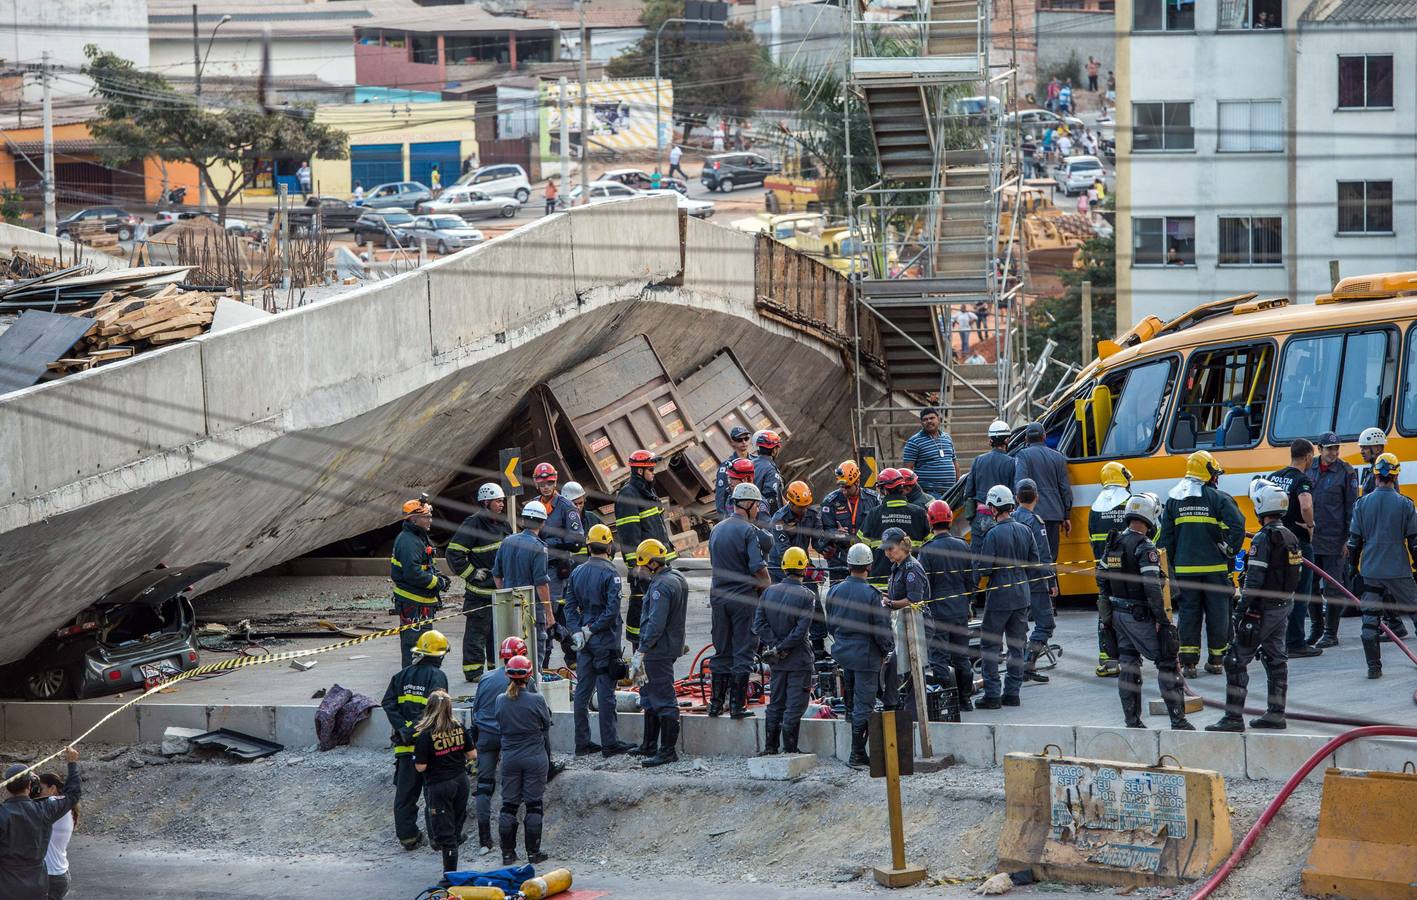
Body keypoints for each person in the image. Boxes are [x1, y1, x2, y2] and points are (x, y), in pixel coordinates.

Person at [1206, 483, 1300, 732]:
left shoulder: (1263, 538)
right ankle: (1276, 714)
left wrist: (1240, 612)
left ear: (1261, 506)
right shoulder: (1291, 536)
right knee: (1276, 659)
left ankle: (1233, 718)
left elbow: (1255, 579)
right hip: (1283, 607)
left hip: (1262, 610)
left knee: (1236, 660)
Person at [1103, 493, 1194, 730]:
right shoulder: (1144, 547)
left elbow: (1101, 581)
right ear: (1150, 517)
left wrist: (1107, 617)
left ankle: (1132, 721)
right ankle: (1179, 721)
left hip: (1118, 615)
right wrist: (1162, 621)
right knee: (1166, 661)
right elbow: (1152, 587)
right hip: (1139, 616)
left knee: (1128, 665)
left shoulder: (1114, 544)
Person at [1157, 450, 1245, 678]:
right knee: (1218, 615)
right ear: (1209, 474)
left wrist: (1171, 569)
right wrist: (1230, 551)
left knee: (1189, 615)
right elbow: (1238, 526)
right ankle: (1216, 661)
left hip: (1186, 572)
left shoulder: (1174, 501)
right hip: (1215, 571)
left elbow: (1165, 539)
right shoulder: (1219, 498)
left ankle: (1188, 664)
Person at [565, 523, 634, 758]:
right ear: (608, 546)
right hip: (604, 640)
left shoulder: (577, 572)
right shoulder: (610, 573)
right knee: (605, 693)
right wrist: (592, 630)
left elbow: (570, 606)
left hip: (584, 642)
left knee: (582, 693)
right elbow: (612, 610)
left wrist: (577, 631)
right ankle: (610, 743)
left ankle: (582, 744)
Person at [1347, 453, 1417, 679]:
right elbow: (1415, 541)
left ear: (1375, 476)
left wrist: (1352, 567)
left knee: (1370, 620)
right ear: (1396, 476)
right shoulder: (1406, 504)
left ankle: (1374, 668)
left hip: (1371, 570)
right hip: (1399, 569)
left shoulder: (1362, 504)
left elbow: (1353, 542)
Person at [381, 629, 450, 851]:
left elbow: (388, 703)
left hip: (404, 747)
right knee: (434, 795)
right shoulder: (437, 677)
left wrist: (404, 728)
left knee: (405, 794)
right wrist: (413, 728)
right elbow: (435, 709)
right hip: (429, 746)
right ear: (439, 656)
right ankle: (438, 839)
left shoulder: (400, 676)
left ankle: (408, 838)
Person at [826, 543, 894, 766]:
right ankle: (856, 753)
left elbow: (831, 625)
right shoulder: (872, 594)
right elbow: (881, 630)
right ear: (870, 566)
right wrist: (886, 651)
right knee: (864, 703)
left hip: (844, 653)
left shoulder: (835, 590)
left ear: (848, 565)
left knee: (852, 701)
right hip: (866, 656)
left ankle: (858, 749)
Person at [708, 482, 771, 718]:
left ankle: (715, 704)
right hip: (743, 601)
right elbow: (758, 569)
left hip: (719, 598)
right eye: (757, 506)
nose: (758, 510)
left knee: (722, 651)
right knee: (743, 652)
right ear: (749, 504)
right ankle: (737, 706)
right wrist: (768, 590)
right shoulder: (748, 531)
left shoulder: (717, 529)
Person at [973, 486, 1040, 709]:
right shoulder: (1025, 530)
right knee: (1017, 646)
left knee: (990, 646)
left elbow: (984, 568)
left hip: (999, 596)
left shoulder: (992, 534)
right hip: (1022, 595)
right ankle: (1012, 693)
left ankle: (992, 694)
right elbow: (1034, 562)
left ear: (993, 507)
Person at [630, 538, 688, 766]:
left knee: (663, 698)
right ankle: (649, 745)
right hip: (664, 647)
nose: (640, 570)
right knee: (649, 696)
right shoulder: (676, 579)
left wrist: (642, 649)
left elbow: (656, 623)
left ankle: (667, 751)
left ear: (653, 563)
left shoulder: (661, 587)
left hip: (657, 650)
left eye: (643, 565)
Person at [754, 546, 816, 754]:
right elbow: (800, 631)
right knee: (795, 706)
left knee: (776, 704)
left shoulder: (769, 592)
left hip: (777, 662)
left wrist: (774, 646)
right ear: (804, 568)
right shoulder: (806, 596)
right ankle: (790, 750)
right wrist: (781, 647)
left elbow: (759, 624)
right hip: (798, 660)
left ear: (783, 566)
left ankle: (770, 747)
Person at [447, 483, 512, 682]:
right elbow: (454, 553)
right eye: (497, 501)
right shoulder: (473, 524)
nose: (501, 504)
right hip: (479, 594)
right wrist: (472, 573)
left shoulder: (502, 523)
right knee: (476, 633)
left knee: (497, 633)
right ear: (486, 502)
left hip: (498, 592)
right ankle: (474, 672)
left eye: (502, 501)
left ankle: (494, 670)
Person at [470, 636, 526, 856]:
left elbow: (476, 709)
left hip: (485, 737)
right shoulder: (520, 678)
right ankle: (508, 845)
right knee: (510, 790)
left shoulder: (485, 678)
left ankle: (485, 840)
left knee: (483, 786)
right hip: (509, 738)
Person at [918, 500, 975, 711]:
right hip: (960, 610)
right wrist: (968, 603)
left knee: (939, 657)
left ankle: (948, 698)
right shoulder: (963, 545)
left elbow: (925, 585)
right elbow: (971, 580)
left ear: (931, 521)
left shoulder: (928, 550)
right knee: (962, 655)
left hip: (938, 613)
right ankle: (966, 699)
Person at [615, 449, 675, 649]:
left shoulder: (648, 491)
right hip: (644, 568)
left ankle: (661, 644)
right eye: (650, 469)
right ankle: (639, 651)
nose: (653, 472)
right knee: (641, 608)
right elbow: (629, 535)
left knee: (660, 608)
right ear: (639, 471)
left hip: (657, 565)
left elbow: (657, 527)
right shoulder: (628, 495)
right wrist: (636, 567)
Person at [496, 654, 553, 865]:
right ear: (528, 676)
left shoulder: (500, 700)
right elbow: (546, 723)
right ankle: (533, 853)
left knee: (509, 805)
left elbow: (499, 723)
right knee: (534, 805)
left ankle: (508, 854)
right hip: (534, 756)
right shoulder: (536, 699)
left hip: (510, 756)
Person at [1, 749, 80, 900]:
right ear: (31, 786)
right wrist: (72, 764)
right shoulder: (45, 809)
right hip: (37, 887)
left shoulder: (3, 813)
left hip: (7, 888)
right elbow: (73, 795)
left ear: (7, 787)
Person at [1269, 439, 1322, 659]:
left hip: (1275, 540)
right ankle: (1296, 642)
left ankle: (1275, 639)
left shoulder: (1273, 477)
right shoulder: (1302, 480)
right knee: (1300, 593)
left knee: (1279, 592)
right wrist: (1310, 526)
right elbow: (1306, 505)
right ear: (1308, 456)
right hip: (1297, 543)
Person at [413, 690, 475, 878]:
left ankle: (449, 877)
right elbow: (472, 755)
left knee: (445, 835)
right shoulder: (459, 727)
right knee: (455, 828)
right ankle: (454, 849)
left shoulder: (425, 735)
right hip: (461, 782)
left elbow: (420, 767)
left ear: (429, 708)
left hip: (440, 786)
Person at [1356, 427, 1408, 641]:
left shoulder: (1383, 474)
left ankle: (1394, 623)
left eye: (1365, 448)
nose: (1362, 452)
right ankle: (1392, 622)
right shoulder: (1374, 471)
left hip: (1381, 537)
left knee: (1381, 582)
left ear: (1377, 447)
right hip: (1378, 535)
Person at [1306, 433, 1357, 647]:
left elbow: (1351, 508)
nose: (1333, 453)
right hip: (1311, 540)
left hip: (1335, 540)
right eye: (1329, 449)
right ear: (1319, 449)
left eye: (1336, 449)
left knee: (1333, 588)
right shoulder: (1309, 469)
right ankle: (1316, 629)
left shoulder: (1346, 472)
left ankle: (1330, 633)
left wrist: (1348, 539)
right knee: (1309, 587)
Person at [534, 463, 583, 668]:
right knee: (541, 615)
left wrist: (550, 544)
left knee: (549, 614)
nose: (546, 487)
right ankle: (547, 660)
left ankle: (550, 661)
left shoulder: (566, 507)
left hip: (557, 570)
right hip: (538, 568)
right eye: (542, 483)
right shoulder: (534, 505)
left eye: (550, 483)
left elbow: (577, 539)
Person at [493, 500, 555, 659]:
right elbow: (541, 584)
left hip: (509, 606)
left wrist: (504, 594)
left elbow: (496, 574)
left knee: (511, 649)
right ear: (542, 523)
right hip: (532, 610)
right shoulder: (539, 547)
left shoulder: (507, 542)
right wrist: (549, 614)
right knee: (534, 652)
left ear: (523, 520)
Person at [391, 498, 449, 668]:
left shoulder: (419, 538)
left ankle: (421, 679)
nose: (430, 520)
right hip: (413, 605)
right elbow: (413, 573)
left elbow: (426, 566)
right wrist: (438, 583)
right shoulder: (408, 541)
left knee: (423, 644)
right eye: (427, 517)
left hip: (421, 604)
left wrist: (439, 577)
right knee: (414, 646)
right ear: (414, 519)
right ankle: (410, 680)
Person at [1089, 461, 1133, 677]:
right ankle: (1131, 659)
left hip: (1105, 571)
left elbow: (1093, 541)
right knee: (1132, 612)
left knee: (1106, 614)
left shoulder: (1095, 508)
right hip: (1129, 571)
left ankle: (1108, 662)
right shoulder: (1131, 502)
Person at [1014, 479, 1058, 683]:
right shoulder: (1035, 521)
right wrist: (1051, 581)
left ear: (1016, 498)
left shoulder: (1011, 518)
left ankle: (1018, 664)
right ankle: (1028, 664)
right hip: (1036, 580)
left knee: (1019, 624)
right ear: (1037, 497)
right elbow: (1043, 553)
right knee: (1045, 623)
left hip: (1015, 580)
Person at [881, 527, 929, 714]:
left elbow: (914, 600)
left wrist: (890, 603)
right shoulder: (898, 567)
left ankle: (915, 714)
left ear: (902, 545)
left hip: (917, 625)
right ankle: (897, 705)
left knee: (913, 670)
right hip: (904, 624)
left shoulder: (911, 569)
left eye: (890, 549)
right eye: (885, 549)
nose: (887, 553)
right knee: (897, 666)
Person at [858, 468, 929, 590]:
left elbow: (861, 546)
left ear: (885, 490)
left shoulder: (874, 514)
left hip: (881, 584)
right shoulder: (919, 513)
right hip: (912, 583)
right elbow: (930, 546)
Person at [1014, 421, 1072, 562]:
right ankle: (1051, 583)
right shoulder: (1058, 457)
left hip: (1030, 515)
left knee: (1031, 557)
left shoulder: (1023, 455)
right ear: (1044, 436)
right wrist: (1066, 515)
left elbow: (1019, 484)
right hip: (1054, 514)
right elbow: (1065, 488)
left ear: (1026, 439)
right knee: (1050, 558)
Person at [820, 460, 881, 585]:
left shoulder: (873, 499)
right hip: (840, 558)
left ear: (857, 482)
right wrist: (836, 533)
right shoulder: (830, 502)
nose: (844, 491)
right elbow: (824, 529)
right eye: (841, 487)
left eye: (847, 487)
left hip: (866, 558)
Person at [968, 420, 1017, 559]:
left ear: (990, 440)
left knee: (976, 559)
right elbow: (1014, 492)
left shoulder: (978, 460)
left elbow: (969, 491)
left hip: (980, 516)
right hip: (1003, 518)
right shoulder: (1011, 462)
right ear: (1007, 439)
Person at [35, 772, 74, 900]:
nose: (37, 792)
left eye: (40, 789)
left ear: (52, 789)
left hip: (51, 877)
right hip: (59, 874)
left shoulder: (53, 804)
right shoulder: (63, 807)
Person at [902, 407, 958, 497]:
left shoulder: (947, 438)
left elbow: (954, 462)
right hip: (929, 494)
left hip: (951, 492)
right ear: (921, 423)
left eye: (932, 418)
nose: (928, 421)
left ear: (938, 419)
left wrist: (957, 486)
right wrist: (919, 493)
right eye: (925, 419)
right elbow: (907, 470)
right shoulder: (914, 441)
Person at [714, 426, 755, 519]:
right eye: (739, 440)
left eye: (746, 438)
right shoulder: (726, 467)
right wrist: (724, 521)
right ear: (732, 442)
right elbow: (720, 497)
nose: (744, 442)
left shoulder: (756, 462)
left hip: (755, 512)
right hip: (736, 515)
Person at [751, 430, 785, 518]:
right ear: (774, 451)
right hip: (763, 517)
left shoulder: (751, 463)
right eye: (777, 448)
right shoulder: (771, 470)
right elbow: (772, 500)